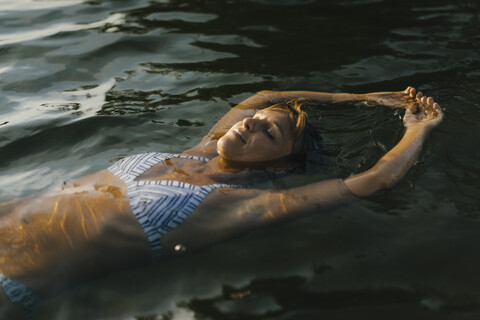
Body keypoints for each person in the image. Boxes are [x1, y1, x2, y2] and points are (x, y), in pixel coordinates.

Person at [0, 86, 443, 318]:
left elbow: (373, 181)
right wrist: (365, 98)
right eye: (252, 122)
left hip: (10, 282)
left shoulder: (234, 204)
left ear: (280, 166)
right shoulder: (193, 153)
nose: (249, 124)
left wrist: (417, 128)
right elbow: (265, 97)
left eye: (267, 133)